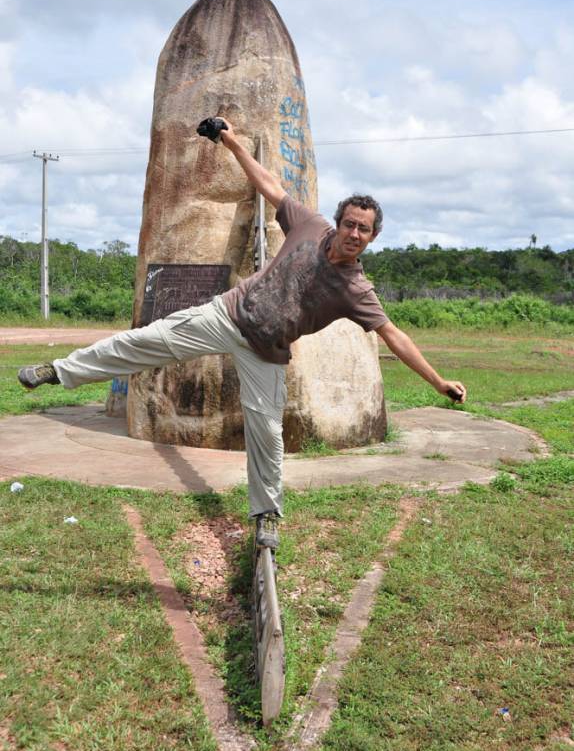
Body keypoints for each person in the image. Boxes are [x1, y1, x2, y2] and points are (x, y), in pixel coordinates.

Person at [18, 120, 466, 549]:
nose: (353, 233)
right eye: (349, 223)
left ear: (372, 237)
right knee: (143, 341)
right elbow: (268, 184)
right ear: (339, 221)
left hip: (265, 352)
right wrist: (231, 142)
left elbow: (394, 336)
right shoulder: (310, 225)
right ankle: (57, 371)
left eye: (363, 229)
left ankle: (266, 516)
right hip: (227, 315)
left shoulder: (356, 289)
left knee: (267, 433)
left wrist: (438, 382)